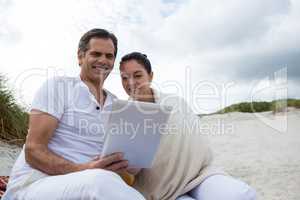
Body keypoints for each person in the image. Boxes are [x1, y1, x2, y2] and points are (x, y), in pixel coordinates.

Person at [2, 29, 145, 200]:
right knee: (101, 181)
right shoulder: (59, 87)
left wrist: (130, 161)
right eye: (96, 54)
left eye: (109, 56)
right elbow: (33, 151)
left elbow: (131, 165)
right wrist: (86, 169)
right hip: (36, 183)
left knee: (110, 182)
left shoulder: (117, 106)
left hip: (95, 183)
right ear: (80, 56)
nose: (103, 60)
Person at [119, 52, 257, 200]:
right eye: (125, 78)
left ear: (150, 76)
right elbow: (132, 170)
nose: (131, 83)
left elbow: (198, 143)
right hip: (161, 190)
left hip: (199, 176)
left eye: (137, 75)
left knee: (240, 195)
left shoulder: (176, 103)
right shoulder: (125, 116)